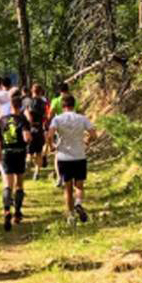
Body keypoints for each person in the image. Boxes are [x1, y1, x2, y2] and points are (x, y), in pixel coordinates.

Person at [49, 94, 97, 223]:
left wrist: (51, 146)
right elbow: (93, 133)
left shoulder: (57, 119)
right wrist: (87, 141)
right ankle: (79, 203)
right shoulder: (82, 118)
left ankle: (70, 216)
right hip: (79, 156)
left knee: (68, 188)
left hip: (64, 157)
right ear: (74, 105)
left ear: (62, 106)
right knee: (79, 186)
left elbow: (49, 135)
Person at [0, 92, 31, 230]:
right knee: (19, 184)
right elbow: (27, 137)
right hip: (19, 153)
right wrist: (28, 139)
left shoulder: (2, 120)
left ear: (11, 105)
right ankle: (17, 213)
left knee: (7, 184)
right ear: (20, 107)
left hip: (6, 154)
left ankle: (6, 210)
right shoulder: (22, 120)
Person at [25, 83, 49, 181]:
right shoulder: (44, 103)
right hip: (40, 128)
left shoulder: (31, 102)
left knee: (29, 152)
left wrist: (28, 127)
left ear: (32, 91)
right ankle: (37, 172)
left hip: (32, 128)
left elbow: (30, 116)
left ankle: (26, 168)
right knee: (39, 152)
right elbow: (46, 116)